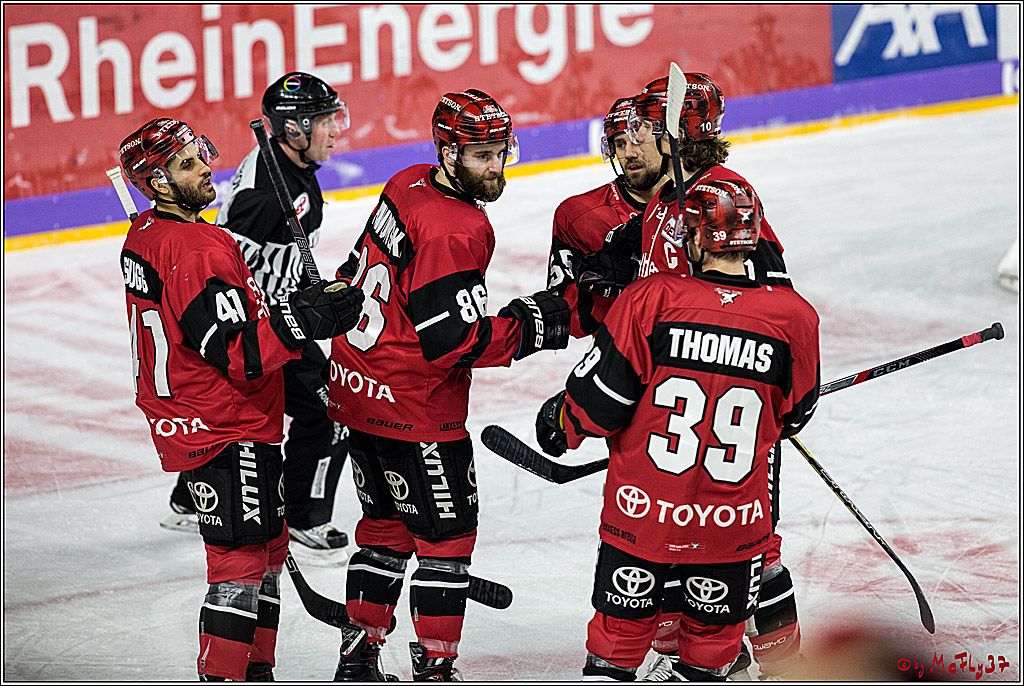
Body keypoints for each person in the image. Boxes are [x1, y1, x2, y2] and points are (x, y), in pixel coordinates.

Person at [325, 89, 571, 681]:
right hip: (415, 406)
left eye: (499, 152)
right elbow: (452, 342)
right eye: (481, 155)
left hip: (356, 390)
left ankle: (358, 658)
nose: (496, 166)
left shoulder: (407, 181)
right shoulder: (455, 228)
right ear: (447, 150)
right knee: (448, 538)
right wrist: (531, 325)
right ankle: (435, 667)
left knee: (384, 529)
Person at [535, 178, 820, 681]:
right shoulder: (795, 318)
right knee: (712, 653)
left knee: (617, 646)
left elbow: (598, 406)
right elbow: (794, 415)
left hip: (644, 516)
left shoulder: (652, 299)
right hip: (733, 524)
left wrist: (561, 423)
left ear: (693, 238)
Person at [577, 74, 807, 681]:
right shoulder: (663, 200)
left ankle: (784, 666)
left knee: (754, 548)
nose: (637, 140)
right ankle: (701, 655)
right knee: (688, 546)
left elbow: (769, 298)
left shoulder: (725, 194)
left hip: (727, 399)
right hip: (676, 414)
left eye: (652, 128)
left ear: (681, 132)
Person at [118, 117, 365, 680]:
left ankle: (257, 672)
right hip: (222, 424)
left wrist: (291, 307)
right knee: (241, 564)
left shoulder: (150, 235)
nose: (207, 167)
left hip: (204, 420)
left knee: (266, 556)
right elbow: (238, 353)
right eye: (187, 164)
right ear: (157, 183)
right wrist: (302, 323)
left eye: (201, 154)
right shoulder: (196, 248)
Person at [546, 96, 668, 338]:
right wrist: (605, 293)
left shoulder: (702, 202)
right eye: (620, 144)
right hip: (622, 360)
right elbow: (570, 319)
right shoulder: (580, 215)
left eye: (638, 141)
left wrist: (637, 276)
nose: (630, 153)